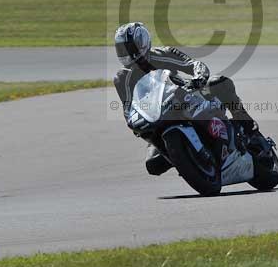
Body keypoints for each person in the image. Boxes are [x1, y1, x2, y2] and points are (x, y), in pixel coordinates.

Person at [113, 22, 263, 176]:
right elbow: (128, 108)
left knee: (219, 83)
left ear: (142, 42)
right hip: (157, 117)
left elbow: (194, 64)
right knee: (153, 165)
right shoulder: (121, 78)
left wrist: (198, 77)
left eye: (129, 48)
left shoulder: (164, 53)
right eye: (122, 49)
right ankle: (189, 158)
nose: (126, 53)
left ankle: (248, 126)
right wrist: (135, 124)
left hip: (185, 97)